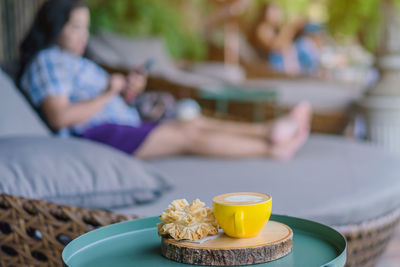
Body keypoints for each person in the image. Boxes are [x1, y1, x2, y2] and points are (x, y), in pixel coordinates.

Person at [20, 0, 311, 160]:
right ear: (54, 27)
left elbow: (89, 100)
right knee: (188, 135)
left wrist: (126, 92)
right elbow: (59, 117)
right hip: (97, 136)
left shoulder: (74, 61)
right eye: (76, 27)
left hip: (120, 122)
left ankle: (269, 129)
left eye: (86, 27)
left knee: (193, 123)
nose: (84, 35)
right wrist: (109, 93)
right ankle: (271, 148)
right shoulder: (48, 60)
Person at [250, 3, 322, 76]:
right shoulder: (262, 28)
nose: (276, 14)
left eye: (277, 11)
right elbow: (276, 46)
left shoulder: (274, 29)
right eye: (273, 11)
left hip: (281, 60)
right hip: (271, 61)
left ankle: (314, 69)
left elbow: (285, 44)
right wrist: (290, 27)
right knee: (303, 45)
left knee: (305, 44)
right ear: (265, 13)